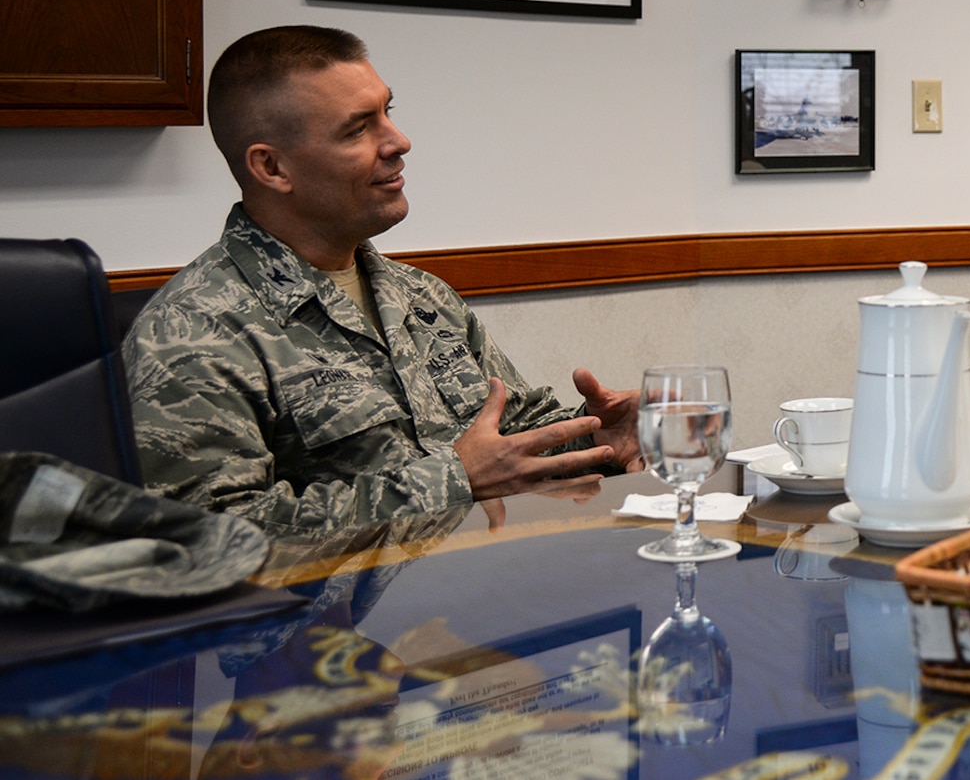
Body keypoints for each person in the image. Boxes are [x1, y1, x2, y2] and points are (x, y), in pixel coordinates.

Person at [125, 26, 643, 533]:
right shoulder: (192, 333)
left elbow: (511, 447)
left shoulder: (422, 297)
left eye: (387, 113)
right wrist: (451, 478)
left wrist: (600, 442)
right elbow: (205, 537)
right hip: (328, 619)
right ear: (272, 167)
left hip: (465, 598)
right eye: (357, 129)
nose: (398, 141)